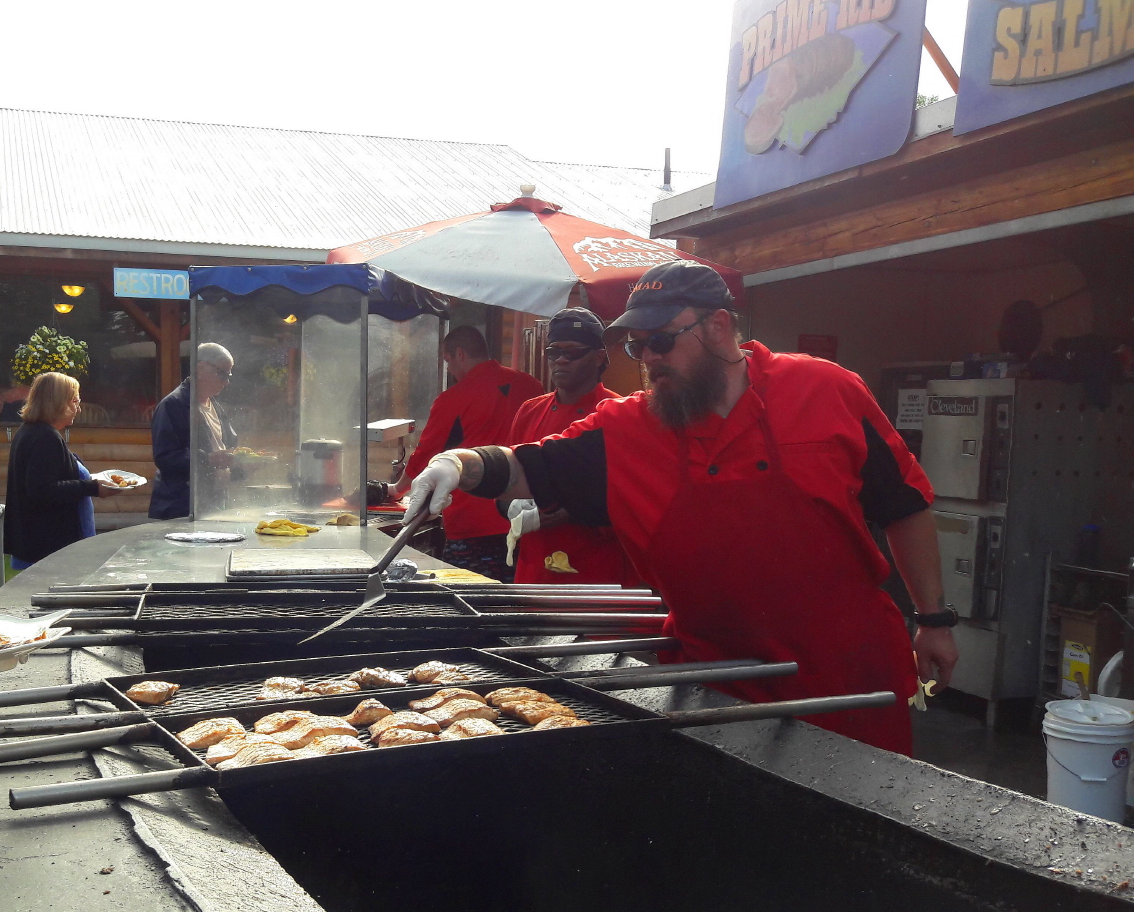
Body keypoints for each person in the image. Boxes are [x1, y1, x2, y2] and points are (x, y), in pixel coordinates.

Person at [405, 261, 958, 756]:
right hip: (717, 681)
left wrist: (933, 620)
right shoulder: (629, 429)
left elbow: (904, 504)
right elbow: (531, 465)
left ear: (718, 328)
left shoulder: (826, 389)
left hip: (850, 676)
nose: (648, 358)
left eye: (662, 341)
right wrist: (459, 464)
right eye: (636, 345)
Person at [396, 327, 542, 581]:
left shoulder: (453, 399)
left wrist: (396, 490)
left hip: (472, 523)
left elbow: (426, 455)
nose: (450, 370)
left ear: (460, 354)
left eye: (448, 360)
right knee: (516, 600)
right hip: (526, 518)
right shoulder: (532, 386)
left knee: (471, 599)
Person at [506, 308, 638, 587]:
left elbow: (633, 500)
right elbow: (509, 478)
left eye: (573, 352)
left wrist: (574, 511)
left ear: (599, 356)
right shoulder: (530, 411)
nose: (561, 360)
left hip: (595, 572)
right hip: (534, 570)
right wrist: (514, 508)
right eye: (554, 352)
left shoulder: (619, 414)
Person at [3, 372, 122, 568]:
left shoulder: (31, 431)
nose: (79, 409)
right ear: (58, 403)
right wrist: (93, 488)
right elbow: (42, 490)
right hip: (48, 547)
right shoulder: (44, 437)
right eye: (75, 401)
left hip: (38, 543)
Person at [149, 343, 240, 520]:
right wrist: (208, 459)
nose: (226, 381)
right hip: (181, 507)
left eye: (229, 375)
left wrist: (244, 465)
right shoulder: (173, 405)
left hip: (212, 503)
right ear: (200, 368)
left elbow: (226, 451)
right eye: (222, 374)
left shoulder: (215, 406)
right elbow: (165, 457)